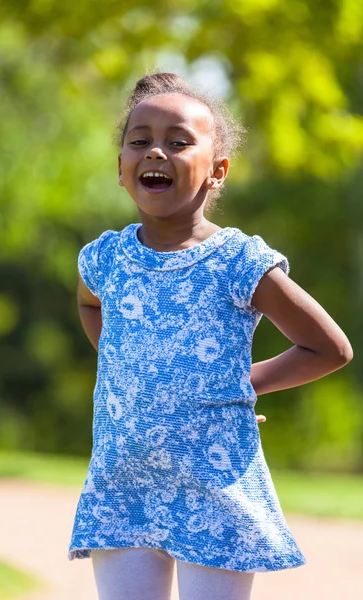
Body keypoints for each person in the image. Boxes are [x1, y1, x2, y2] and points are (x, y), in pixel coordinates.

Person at [68, 72, 353, 600]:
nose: (156, 152)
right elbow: (90, 303)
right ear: (121, 169)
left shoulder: (239, 262)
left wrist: (242, 384)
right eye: (140, 141)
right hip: (121, 482)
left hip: (213, 486)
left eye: (178, 142)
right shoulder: (104, 257)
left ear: (217, 171)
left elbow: (330, 348)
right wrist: (125, 366)